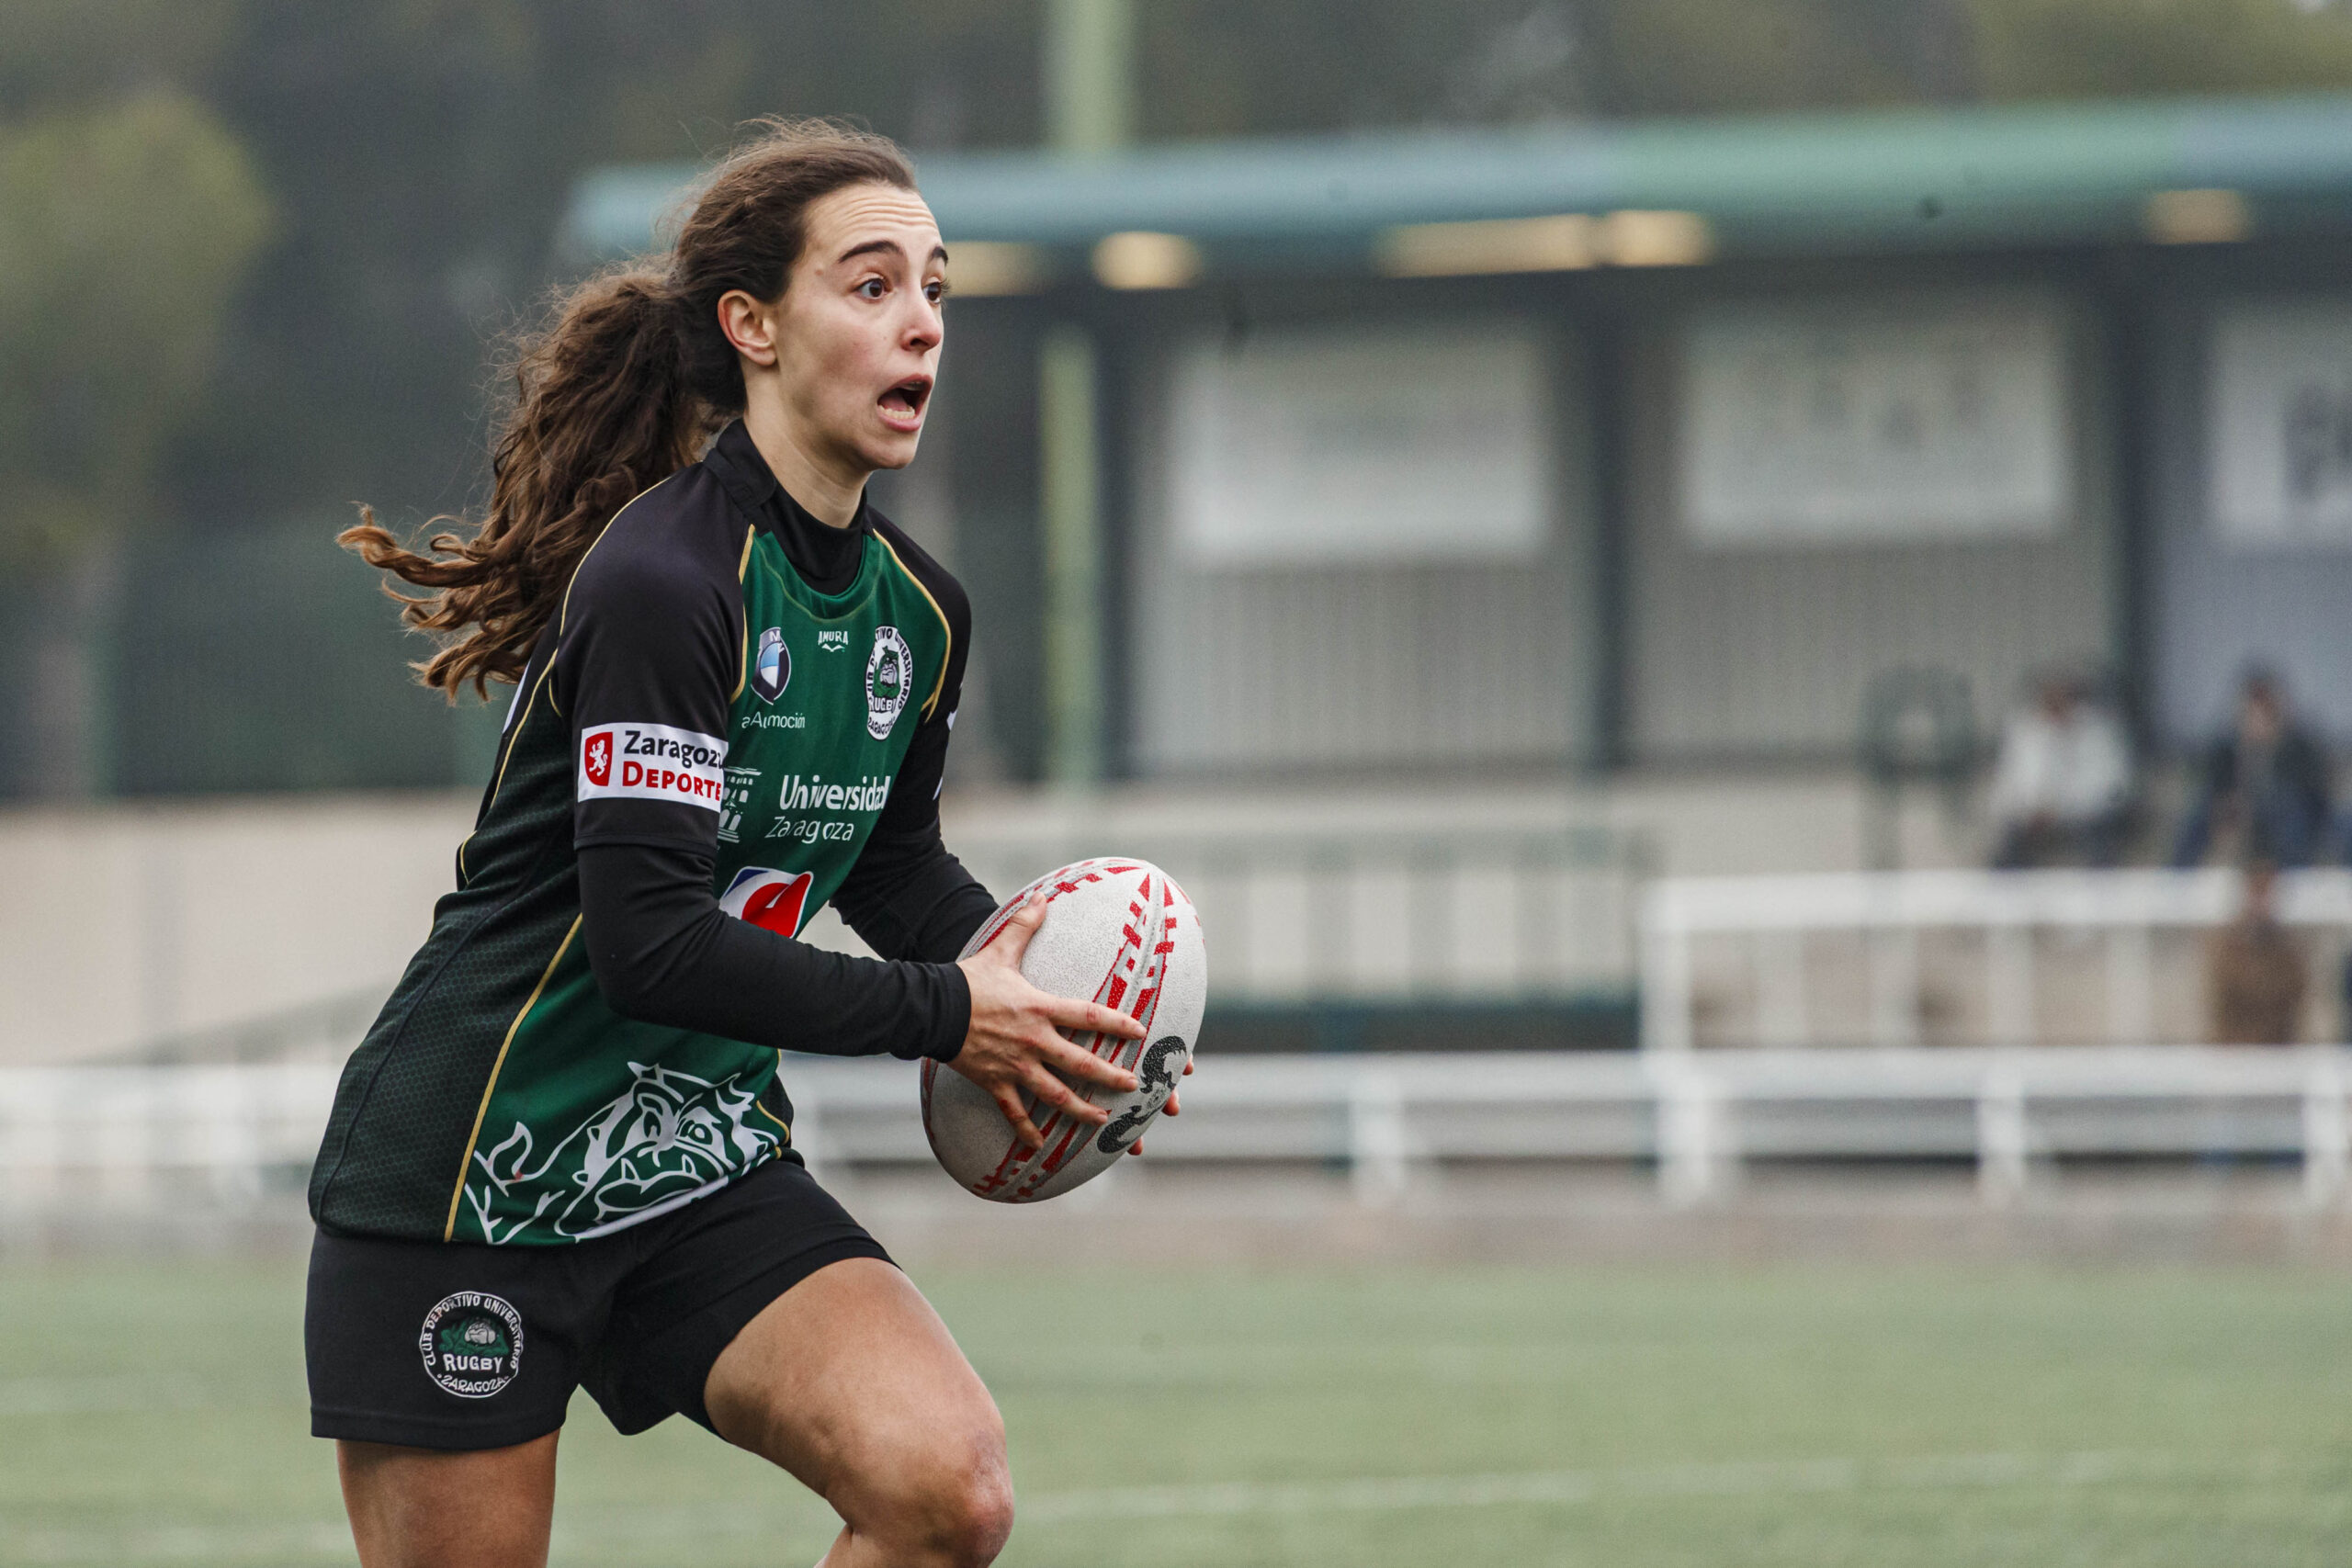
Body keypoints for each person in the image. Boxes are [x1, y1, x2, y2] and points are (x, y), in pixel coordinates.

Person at [308, 120, 1178, 1568]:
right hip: (470, 1169)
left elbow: (893, 871)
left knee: (945, 1491)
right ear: (752, 326)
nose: (921, 324)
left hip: (689, 1156)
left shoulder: (924, 610)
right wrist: (951, 1014)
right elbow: (651, 943)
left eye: (938, 291)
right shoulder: (666, 578)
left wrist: (1082, 1013)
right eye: (873, 284)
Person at [2171, 669, 2333, 868]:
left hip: (2284, 821)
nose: (2258, 720)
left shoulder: (2300, 749)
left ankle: (2294, 872)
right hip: (2238, 816)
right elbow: (2214, 790)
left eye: (2265, 712)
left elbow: (2313, 798)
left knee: (2290, 811)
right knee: (2199, 812)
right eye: (2252, 711)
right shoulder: (2224, 750)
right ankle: (2178, 876)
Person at [1986, 670, 2134, 868]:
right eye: (2049, 698)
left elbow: (2112, 787)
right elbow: (2014, 781)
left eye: (2062, 698)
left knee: (2099, 841)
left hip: (2088, 814)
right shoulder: (2028, 730)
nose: (2056, 705)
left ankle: (2101, 893)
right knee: (2008, 845)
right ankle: (2003, 895)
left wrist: (2061, 809)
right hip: (2036, 815)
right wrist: (2032, 809)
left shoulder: (2098, 731)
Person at [2205, 863, 2308, 1045]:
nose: (2263, 901)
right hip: (2236, 1050)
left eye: (2268, 892)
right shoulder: (2228, 945)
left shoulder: (2288, 947)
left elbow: (2294, 992)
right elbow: (2229, 995)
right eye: (2258, 891)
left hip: (2277, 1047)